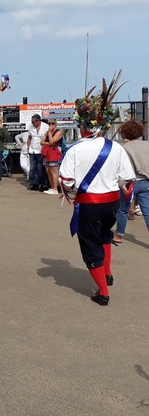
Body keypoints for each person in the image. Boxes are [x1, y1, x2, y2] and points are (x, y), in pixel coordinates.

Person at [59, 79, 134, 306]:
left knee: (90, 244)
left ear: (83, 126)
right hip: (111, 202)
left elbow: (67, 180)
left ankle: (102, 292)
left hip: (89, 204)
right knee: (105, 236)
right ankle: (108, 274)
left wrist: (72, 188)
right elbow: (126, 179)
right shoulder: (117, 148)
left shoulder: (75, 150)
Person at [113, 120, 149, 244]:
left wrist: (121, 184)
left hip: (130, 182)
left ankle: (119, 235)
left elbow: (123, 168)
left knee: (122, 209)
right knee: (147, 211)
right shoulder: (147, 144)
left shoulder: (124, 148)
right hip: (145, 181)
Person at [40, 119, 64, 194]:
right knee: (48, 170)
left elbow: (52, 141)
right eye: (49, 123)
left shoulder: (59, 132)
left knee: (54, 170)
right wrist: (49, 143)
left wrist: (50, 132)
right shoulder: (46, 133)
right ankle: (52, 187)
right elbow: (41, 142)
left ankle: (55, 188)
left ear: (55, 124)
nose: (50, 125)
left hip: (54, 152)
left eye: (52, 123)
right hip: (47, 152)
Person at [27, 114, 49, 191]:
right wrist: (28, 147)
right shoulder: (31, 127)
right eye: (32, 122)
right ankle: (33, 183)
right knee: (32, 169)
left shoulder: (45, 126)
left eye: (34, 122)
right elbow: (29, 138)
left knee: (40, 169)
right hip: (32, 150)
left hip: (41, 151)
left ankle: (41, 183)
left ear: (38, 121)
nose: (33, 123)